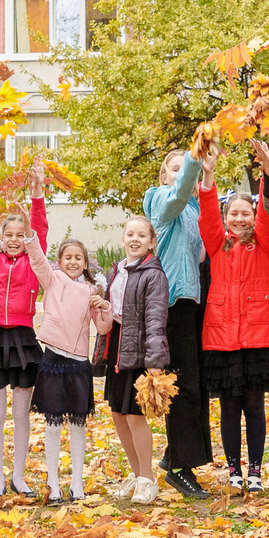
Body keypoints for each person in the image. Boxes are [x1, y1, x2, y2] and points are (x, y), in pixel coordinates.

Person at [196, 141, 269, 490]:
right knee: (229, 408)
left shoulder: (263, 241)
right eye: (234, 213)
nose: (240, 218)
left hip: (256, 336)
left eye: (246, 212)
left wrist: (268, 173)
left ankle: (256, 472)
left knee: (254, 406)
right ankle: (233, 472)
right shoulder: (218, 243)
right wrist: (209, 175)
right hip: (221, 336)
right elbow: (206, 214)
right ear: (226, 216)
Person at [143, 146, 214, 498]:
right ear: (163, 175)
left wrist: (208, 175)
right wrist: (194, 158)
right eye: (174, 168)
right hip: (171, 305)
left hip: (193, 305)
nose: (180, 172)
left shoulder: (193, 210)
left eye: (182, 168)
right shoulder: (159, 201)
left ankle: (177, 455)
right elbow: (182, 189)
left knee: (197, 386)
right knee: (183, 388)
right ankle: (180, 469)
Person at [0, 174, 46, 500]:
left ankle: (19, 476)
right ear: (0, 237)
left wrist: (37, 192)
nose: (15, 239)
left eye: (20, 235)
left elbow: (39, 229)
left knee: (20, 414)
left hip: (23, 339)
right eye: (9, 234)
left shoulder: (33, 260)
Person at [28, 218, 103, 505]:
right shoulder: (53, 279)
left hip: (79, 364)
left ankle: (77, 483)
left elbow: (104, 327)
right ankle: (54, 483)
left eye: (78, 258)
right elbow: (37, 260)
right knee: (52, 424)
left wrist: (104, 307)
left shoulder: (92, 291)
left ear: (85, 263)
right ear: (59, 261)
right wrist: (30, 233)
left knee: (78, 425)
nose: (73, 262)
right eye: (68, 257)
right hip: (53, 361)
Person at [103, 216, 171, 504]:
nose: (134, 239)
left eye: (141, 236)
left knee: (134, 415)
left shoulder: (154, 274)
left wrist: (154, 359)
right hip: (117, 345)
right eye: (129, 234)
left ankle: (148, 478)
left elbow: (156, 319)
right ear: (122, 239)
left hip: (141, 351)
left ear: (151, 242)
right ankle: (135, 473)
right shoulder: (117, 270)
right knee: (118, 413)